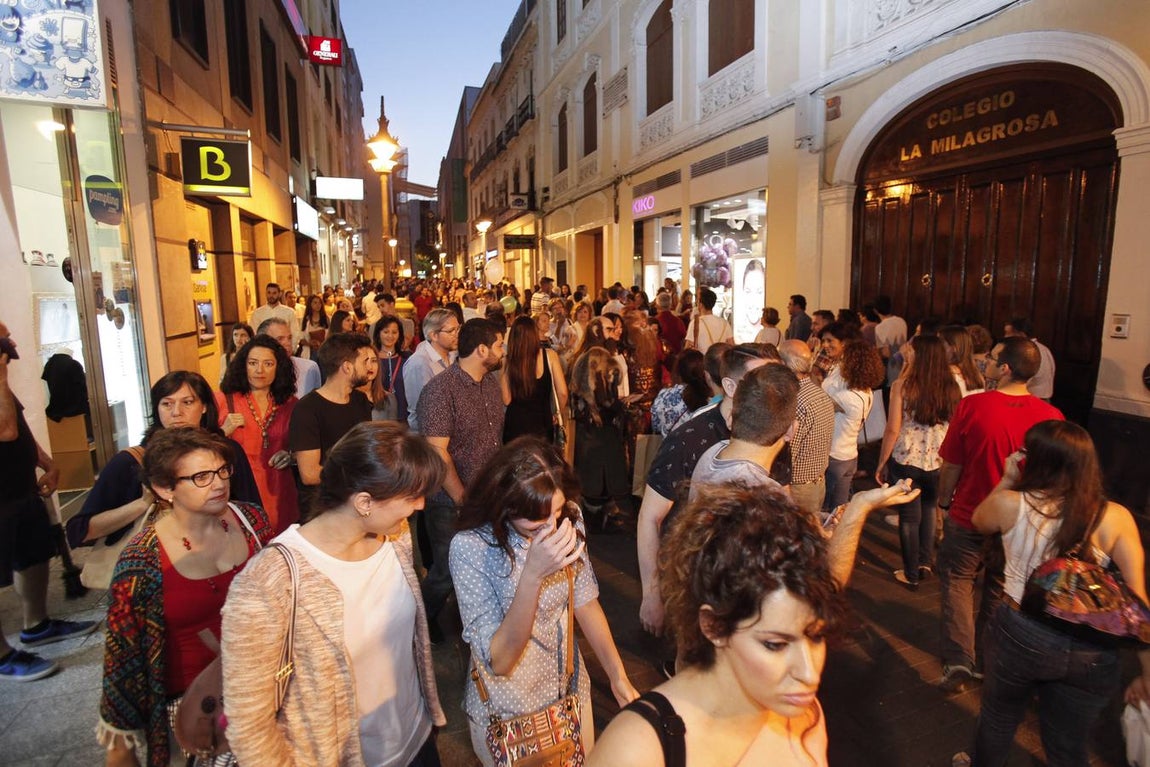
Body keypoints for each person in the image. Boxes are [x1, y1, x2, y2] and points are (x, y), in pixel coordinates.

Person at [590, 481, 918, 767]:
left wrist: (857, 510)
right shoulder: (639, 749)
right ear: (713, 626)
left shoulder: (802, 713)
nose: (808, 672)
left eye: (815, 636)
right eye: (775, 644)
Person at [222, 422, 446, 765]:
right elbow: (250, 726)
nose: (419, 506)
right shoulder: (269, 581)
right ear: (364, 502)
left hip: (417, 741)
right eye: (411, 496)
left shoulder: (395, 539)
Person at [960, 420, 1149, 766]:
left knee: (998, 719)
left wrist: (1006, 479)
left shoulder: (1010, 503)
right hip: (1093, 649)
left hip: (1019, 631)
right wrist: (1148, 671)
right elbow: (1138, 604)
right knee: (1067, 744)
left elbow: (978, 520)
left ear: (1038, 461)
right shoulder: (1116, 517)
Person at [450, 438, 639, 762]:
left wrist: (617, 675)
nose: (553, 528)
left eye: (557, 511)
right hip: (508, 707)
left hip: (567, 691)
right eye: (538, 522)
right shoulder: (471, 547)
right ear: (506, 507)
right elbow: (499, 660)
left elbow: (584, 600)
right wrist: (533, 575)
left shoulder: (568, 516)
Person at [97, 428, 274, 766]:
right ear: (165, 488)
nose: (219, 483)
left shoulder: (252, 520)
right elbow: (122, 661)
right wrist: (120, 747)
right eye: (201, 476)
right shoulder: (142, 561)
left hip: (261, 688)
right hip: (195, 707)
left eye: (223, 471)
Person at [935, 337, 1064, 694]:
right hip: (1019, 519)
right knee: (998, 584)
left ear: (1005, 368)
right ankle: (987, 657)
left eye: (991, 358)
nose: (985, 363)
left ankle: (960, 657)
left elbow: (952, 463)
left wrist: (943, 502)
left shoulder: (974, 406)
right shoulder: (1051, 417)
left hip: (970, 511)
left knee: (959, 581)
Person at [637, 344, 776, 636]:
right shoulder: (689, 437)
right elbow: (650, 517)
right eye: (759, 381)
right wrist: (652, 594)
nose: (771, 390)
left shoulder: (772, 430)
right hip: (696, 580)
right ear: (729, 385)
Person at [66, 370, 263, 552]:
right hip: (156, 568)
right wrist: (141, 505)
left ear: (204, 407)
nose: (176, 412)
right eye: (167, 404)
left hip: (225, 558)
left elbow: (252, 514)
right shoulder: (132, 461)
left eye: (187, 402)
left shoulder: (227, 452)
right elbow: (79, 531)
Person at [0, 320, 96, 683]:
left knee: (35, 555)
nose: (10, 343)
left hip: (20, 488)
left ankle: (36, 624)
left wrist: (46, 461)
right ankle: (3, 655)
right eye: (2, 339)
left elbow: (19, 427)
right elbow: (4, 430)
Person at [416, 319, 507, 639]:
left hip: (487, 494)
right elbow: (438, 452)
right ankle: (421, 626)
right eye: (499, 345)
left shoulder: (490, 382)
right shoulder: (441, 391)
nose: (503, 350)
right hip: (449, 501)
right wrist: (461, 497)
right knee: (444, 571)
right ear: (481, 349)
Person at [875, 335, 961, 588]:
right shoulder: (952, 387)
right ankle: (925, 562)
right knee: (929, 510)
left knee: (909, 517)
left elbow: (892, 428)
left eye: (911, 351)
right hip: (938, 460)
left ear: (920, 355)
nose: (907, 353)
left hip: (907, 458)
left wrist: (882, 462)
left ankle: (911, 573)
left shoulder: (904, 385)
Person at [217, 335, 299, 533]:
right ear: (243, 365)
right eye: (253, 363)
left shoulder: (291, 403)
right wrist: (221, 432)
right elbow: (200, 450)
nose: (259, 370)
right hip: (239, 491)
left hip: (280, 491)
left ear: (278, 367)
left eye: (268, 363)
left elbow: (304, 447)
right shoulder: (223, 400)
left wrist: (291, 456)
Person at [288, 333, 375, 519]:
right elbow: (310, 473)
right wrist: (359, 475)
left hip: (356, 503)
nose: (369, 368)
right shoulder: (307, 409)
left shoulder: (360, 400)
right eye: (365, 361)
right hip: (323, 510)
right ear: (347, 367)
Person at [821, 334, 885, 511]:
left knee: (827, 509)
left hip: (834, 457)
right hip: (849, 456)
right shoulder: (867, 392)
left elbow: (820, 395)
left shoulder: (847, 399)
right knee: (840, 507)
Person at [778, 340, 836, 518]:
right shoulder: (819, 393)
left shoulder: (795, 401)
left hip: (797, 487)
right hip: (817, 481)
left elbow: (788, 451)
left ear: (784, 364)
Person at [502, 315, 567, 444]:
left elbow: (506, 399)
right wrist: (557, 413)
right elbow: (563, 392)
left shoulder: (508, 361)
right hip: (542, 424)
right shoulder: (550, 356)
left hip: (515, 427)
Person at [404, 308, 460, 432]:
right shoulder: (419, 363)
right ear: (433, 335)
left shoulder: (453, 355)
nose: (457, 334)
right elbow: (421, 408)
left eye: (458, 329)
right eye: (451, 331)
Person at [650, 349, 710, 438]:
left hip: (671, 449)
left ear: (678, 371)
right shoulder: (710, 398)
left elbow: (656, 426)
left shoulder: (664, 396)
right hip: (701, 449)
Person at [258, 317, 321, 400]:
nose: (287, 343)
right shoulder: (255, 371)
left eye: (289, 338)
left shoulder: (308, 368)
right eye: (280, 339)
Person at [370, 315, 411, 422]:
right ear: (378, 334)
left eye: (394, 332)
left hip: (404, 415)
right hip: (378, 416)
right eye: (386, 332)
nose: (390, 336)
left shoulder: (407, 358)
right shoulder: (371, 359)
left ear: (399, 335)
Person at [1004, 317, 1055, 400]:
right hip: (1041, 398)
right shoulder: (1044, 348)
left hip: (1033, 399)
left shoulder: (1027, 351)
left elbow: (1022, 380)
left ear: (1021, 334)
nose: (1005, 337)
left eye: (1008, 333)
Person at [684, 288, 733, 353]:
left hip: (703, 361)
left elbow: (687, 349)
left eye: (697, 301)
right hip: (720, 361)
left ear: (700, 305)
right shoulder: (725, 323)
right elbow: (731, 345)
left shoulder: (695, 323)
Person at [940, 325, 984, 396]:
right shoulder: (976, 375)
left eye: (941, 343)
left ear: (954, 348)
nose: (937, 347)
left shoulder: (947, 374)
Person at [249, 283, 298, 347]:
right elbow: (254, 333)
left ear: (279, 294)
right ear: (266, 294)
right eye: (269, 293)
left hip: (284, 348)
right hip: (264, 348)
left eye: (274, 293)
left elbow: (295, 332)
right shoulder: (258, 313)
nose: (271, 296)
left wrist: (292, 348)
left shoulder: (289, 312)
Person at [300, 294, 329, 360]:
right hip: (310, 352)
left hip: (324, 351)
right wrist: (310, 343)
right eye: (315, 303)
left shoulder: (326, 319)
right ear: (310, 304)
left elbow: (330, 334)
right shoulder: (305, 320)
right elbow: (301, 338)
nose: (318, 305)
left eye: (319, 303)